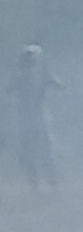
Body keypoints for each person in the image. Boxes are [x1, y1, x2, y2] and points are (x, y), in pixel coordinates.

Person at [5, 47, 50, 189]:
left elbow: (8, 89)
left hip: (32, 115)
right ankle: (36, 177)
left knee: (40, 146)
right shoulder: (26, 75)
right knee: (34, 147)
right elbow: (8, 89)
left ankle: (45, 176)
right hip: (28, 116)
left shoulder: (39, 74)